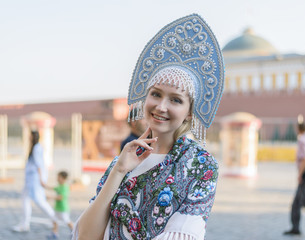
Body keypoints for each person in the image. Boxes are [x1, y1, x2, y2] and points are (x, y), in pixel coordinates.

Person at [73, 13, 225, 239]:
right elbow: (85, 235)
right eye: (155, 94)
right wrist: (119, 171)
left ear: (189, 112)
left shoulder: (200, 166)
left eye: (175, 100)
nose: (161, 107)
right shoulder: (122, 160)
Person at [12, 130, 58, 233]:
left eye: (30, 136)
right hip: (31, 179)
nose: (28, 137)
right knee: (26, 200)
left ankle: (54, 219)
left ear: (33, 137)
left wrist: (41, 179)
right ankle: (25, 224)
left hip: (34, 179)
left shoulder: (36, 148)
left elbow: (39, 165)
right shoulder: (35, 147)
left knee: (39, 200)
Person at [45, 171, 74, 239]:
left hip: (63, 209)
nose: (57, 179)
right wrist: (43, 184)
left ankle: (74, 231)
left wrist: (50, 197)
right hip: (57, 208)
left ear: (63, 179)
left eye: (59, 177)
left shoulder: (64, 187)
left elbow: (61, 197)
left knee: (67, 221)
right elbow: (51, 188)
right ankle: (54, 234)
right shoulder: (59, 186)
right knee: (54, 220)